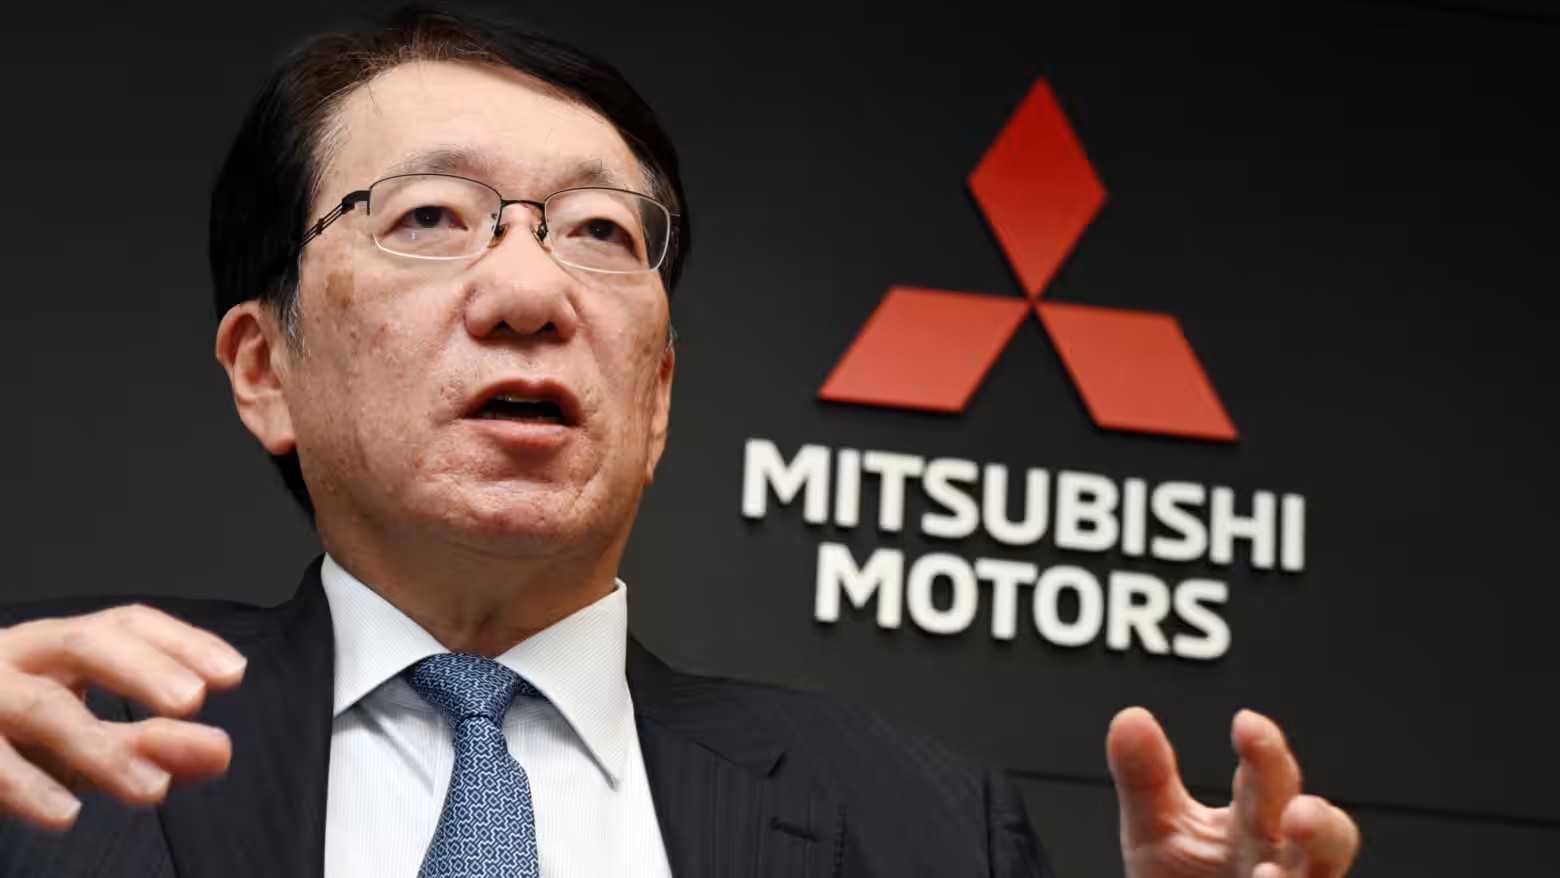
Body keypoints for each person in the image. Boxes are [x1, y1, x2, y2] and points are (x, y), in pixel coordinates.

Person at [0, 7, 1359, 877]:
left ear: (656, 394)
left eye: (600, 232)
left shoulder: (932, 831)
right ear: (264, 368)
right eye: (429, 217)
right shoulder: (42, 740)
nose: (529, 292)